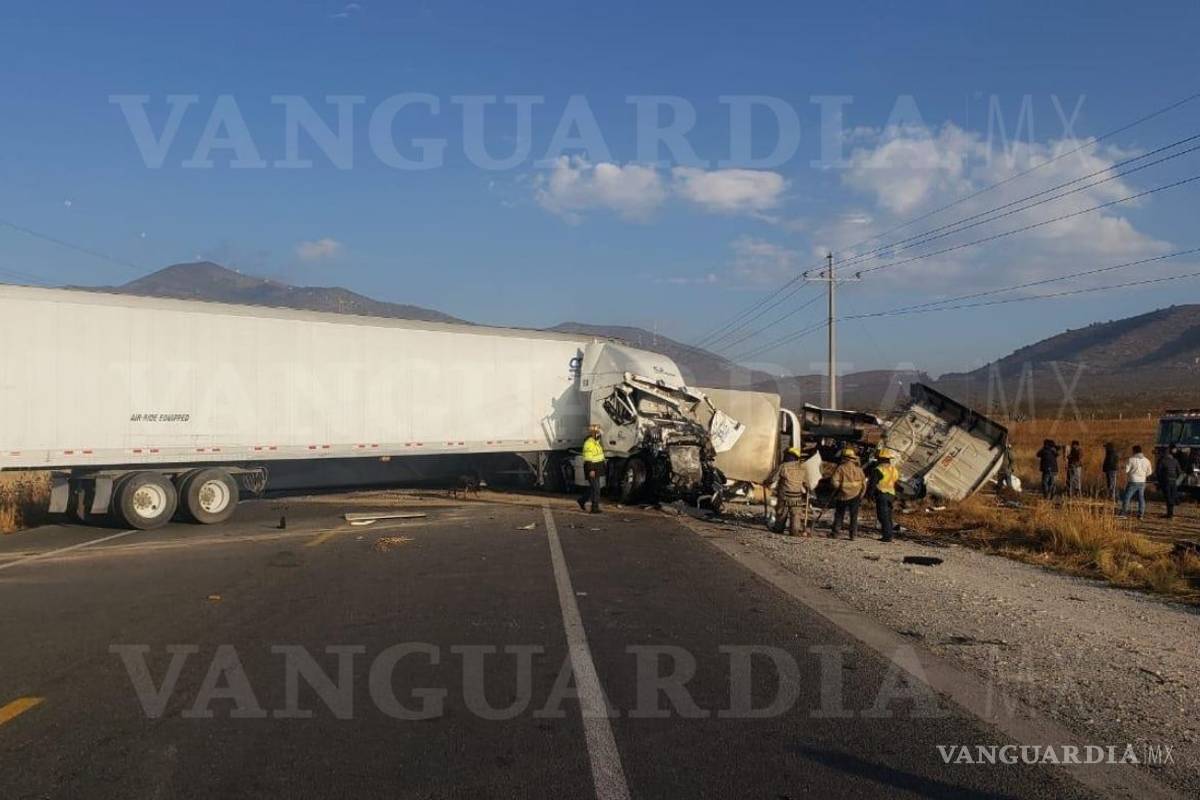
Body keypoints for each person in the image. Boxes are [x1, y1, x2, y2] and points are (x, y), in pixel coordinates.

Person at [765, 447, 809, 537]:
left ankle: (779, 529)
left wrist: (766, 481)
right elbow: (806, 482)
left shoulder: (783, 466)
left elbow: (773, 478)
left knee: (782, 512)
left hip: (784, 495)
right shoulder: (802, 467)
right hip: (796, 496)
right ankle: (794, 532)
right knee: (795, 514)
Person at [829, 447, 867, 540]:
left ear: (844, 457)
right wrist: (861, 495)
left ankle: (835, 533)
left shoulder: (841, 468)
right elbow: (864, 484)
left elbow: (834, 481)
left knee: (839, 514)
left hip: (843, 496)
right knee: (854, 516)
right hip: (856, 495)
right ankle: (853, 535)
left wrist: (839, 487)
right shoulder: (859, 469)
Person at [868, 448, 900, 542]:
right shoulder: (894, 469)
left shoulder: (878, 469)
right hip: (891, 495)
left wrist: (870, 495)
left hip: (882, 494)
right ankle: (889, 534)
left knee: (882, 516)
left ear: (881, 459)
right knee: (888, 515)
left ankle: (887, 536)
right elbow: (896, 482)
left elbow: (872, 484)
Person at [1119, 445, 1154, 520]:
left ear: (1134, 451)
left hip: (1133, 481)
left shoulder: (1131, 459)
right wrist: (1143, 475)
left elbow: (1126, 470)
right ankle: (1141, 514)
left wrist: (1123, 467)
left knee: (1127, 497)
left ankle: (1124, 513)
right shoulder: (1147, 460)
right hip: (1142, 481)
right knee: (1141, 498)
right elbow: (1149, 472)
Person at [577, 425, 605, 514]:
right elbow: (588, 458)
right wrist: (591, 470)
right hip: (592, 469)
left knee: (593, 488)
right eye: (597, 433)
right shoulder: (589, 443)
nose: (599, 434)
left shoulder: (596, 442)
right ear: (593, 434)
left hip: (596, 468)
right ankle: (594, 507)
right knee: (596, 489)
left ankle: (582, 500)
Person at [1157, 447, 1182, 519]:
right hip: (1173, 481)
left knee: (1168, 497)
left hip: (1166, 481)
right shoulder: (1175, 460)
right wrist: (1175, 478)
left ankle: (1169, 514)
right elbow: (1179, 472)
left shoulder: (1162, 461)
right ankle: (1170, 513)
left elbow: (1158, 472)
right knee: (1172, 496)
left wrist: (1160, 481)